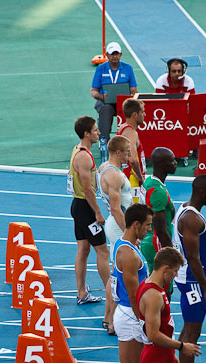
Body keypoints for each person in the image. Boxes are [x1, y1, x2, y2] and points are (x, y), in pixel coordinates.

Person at [173, 174, 206, 363]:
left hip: (190, 279)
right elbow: (192, 258)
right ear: (201, 192)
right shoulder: (191, 220)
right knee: (193, 332)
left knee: (187, 329)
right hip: (192, 282)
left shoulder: (185, 209)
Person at [111, 204, 153, 363]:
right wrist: (145, 322)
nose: (149, 229)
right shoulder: (127, 255)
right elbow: (133, 292)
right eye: (147, 225)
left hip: (130, 313)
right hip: (131, 316)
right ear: (136, 225)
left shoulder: (127, 244)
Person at [68, 116, 110, 305]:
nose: (98, 133)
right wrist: (98, 213)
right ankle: (111, 292)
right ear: (86, 133)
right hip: (85, 207)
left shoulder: (77, 149)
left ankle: (81, 292)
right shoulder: (84, 156)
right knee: (102, 250)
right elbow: (87, 189)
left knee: (83, 249)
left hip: (78, 205)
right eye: (95, 130)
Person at [97, 135, 132, 333]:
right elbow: (117, 209)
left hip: (118, 225)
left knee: (114, 275)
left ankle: (108, 317)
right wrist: (129, 232)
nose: (129, 155)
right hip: (119, 226)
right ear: (118, 152)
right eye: (126, 151)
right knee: (117, 276)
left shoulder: (105, 168)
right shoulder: (114, 175)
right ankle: (111, 321)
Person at [140, 147, 177, 290]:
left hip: (150, 241)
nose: (175, 163)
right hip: (157, 243)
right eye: (172, 161)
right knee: (162, 288)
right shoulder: (157, 192)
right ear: (162, 165)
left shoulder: (149, 181)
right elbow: (161, 230)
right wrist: (173, 255)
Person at [90, 42, 137, 145]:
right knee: (105, 109)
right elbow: (93, 91)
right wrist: (101, 96)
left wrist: (132, 96)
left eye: (117, 54)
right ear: (107, 55)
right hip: (106, 102)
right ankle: (104, 141)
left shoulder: (128, 68)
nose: (114, 57)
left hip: (124, 102)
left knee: (134, 109)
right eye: (112, 54)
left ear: (120, 54)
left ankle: (130, 139)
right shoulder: (101, 69)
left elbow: (134, 89)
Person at [117, 98, 146, 203]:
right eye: (142, 112)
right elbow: (133, 159)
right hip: (133, 181)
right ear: (134, 114)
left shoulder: (122, 128)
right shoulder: (130, 132)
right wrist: (140, 178)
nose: (145, 115)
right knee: (135, 215)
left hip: (128, 179)